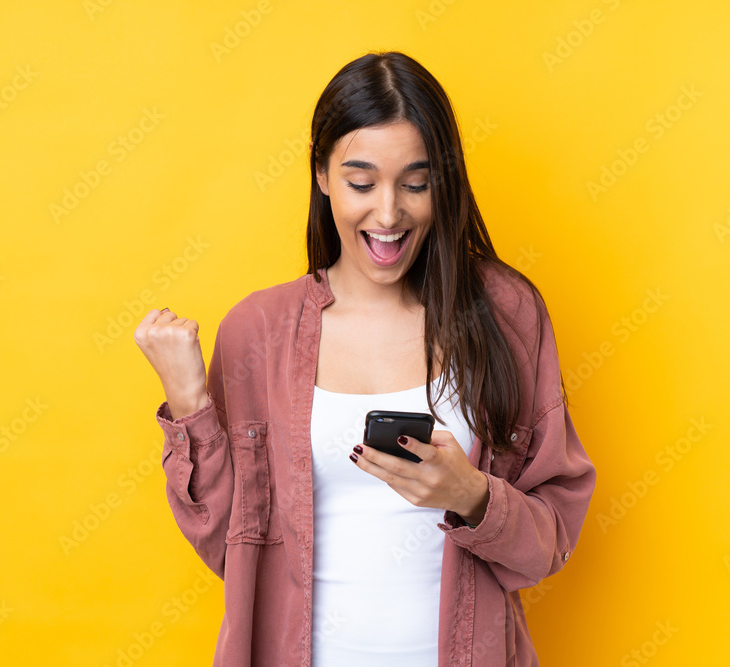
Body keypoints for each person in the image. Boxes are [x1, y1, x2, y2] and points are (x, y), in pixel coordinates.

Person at [134, 50, 596, 667]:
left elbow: (549, 546)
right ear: (322, 176)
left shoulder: (506, 315)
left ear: (444, 182)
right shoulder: (258, 331)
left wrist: (473, 496)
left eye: (415, 183)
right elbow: (228, 547)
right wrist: (190, 402)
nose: (388, 213)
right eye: (361, 182)